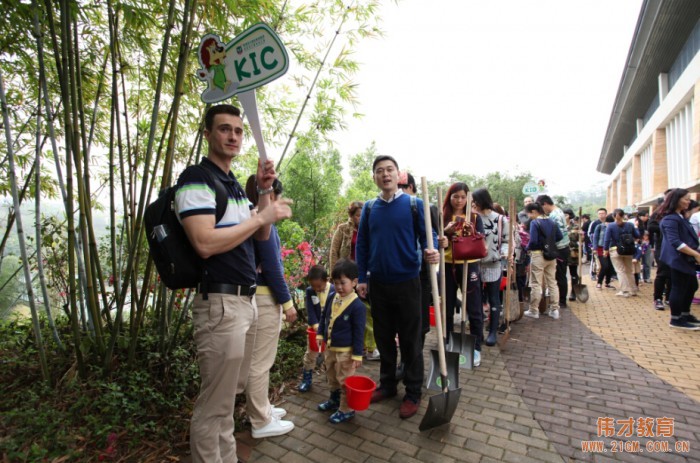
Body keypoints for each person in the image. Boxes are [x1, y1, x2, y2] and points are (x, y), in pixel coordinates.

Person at [175, 104, 292, 462]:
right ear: (207, 134)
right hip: (221, 304)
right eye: (224, 129)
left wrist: (262, 191)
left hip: (244, 304)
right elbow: (205, 243)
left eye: (238, 131)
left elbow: (260, 236)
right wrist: (263, 216)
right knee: (215, 405)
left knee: (227, 400)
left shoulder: (231, 184)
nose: (233, 136)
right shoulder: (197, 177)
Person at [355, 155, 439, 420]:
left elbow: (429, 236)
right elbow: (363, 245)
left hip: (408, 282)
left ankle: (413, 392)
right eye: (380, 171)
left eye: (390, 170)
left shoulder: (414, 205)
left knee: (412, 340)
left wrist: (433, 250)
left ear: (399, 174)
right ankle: (388, 385)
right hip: (379, 283)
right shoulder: (369, 208)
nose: (385, 174)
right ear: (374, 177)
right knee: (384, 339)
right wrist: (362, 278)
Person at [240, 176, 297, 439]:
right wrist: (287, 303)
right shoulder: (264, 225)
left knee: (255, 361)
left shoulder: (248, 217)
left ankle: (262, 409)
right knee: (260, 363)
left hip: (254, 297)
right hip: (264, 298)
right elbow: (273, 268)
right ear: (269, 196)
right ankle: (261, 421)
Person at [316, 259, 367, 423]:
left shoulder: (357, 306)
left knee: (345, 381)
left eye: (343, 283)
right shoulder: (332, 297)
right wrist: (319, 335)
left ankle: (347, 409)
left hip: (346, 352)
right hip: (330, 348)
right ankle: (334, 400)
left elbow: (359, 332)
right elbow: (324, 317)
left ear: (354, 282)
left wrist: (357, 355)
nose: (339, 287)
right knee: (331, 376)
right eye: (335, 282)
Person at [329, 201, 378, 361]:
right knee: (349, 310)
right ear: (351, 215)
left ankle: (369, 346)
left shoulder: (370, 228)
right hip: (346, 276)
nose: (360, 218)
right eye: (357, 215)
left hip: (365, 275)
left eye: (363, 215)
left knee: (367, 311)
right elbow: (333, 251)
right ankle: (358, 347)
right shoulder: (343, 229)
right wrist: (334, 275)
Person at [441, 182, 485, 367]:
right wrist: (445, 233)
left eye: (463, 197)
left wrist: (469, 231)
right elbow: (435, 243)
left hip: (470, 265)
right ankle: (449, 341)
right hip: (447, 265)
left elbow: (481, 241)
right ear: (449, 197)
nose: (459, 200)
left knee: (474, 308)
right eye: (455, 196)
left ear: (468, 198)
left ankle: (476, 347)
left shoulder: (474, 217)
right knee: (447, 307)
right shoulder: (442, 216)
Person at [399, 171, 439, 348]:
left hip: (421, 271)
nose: (398, 190)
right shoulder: (393, 208)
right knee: (403, 318)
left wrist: (437, 245)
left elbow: (433, 235)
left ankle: (415, 357)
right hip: (400, 272)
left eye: (402, 187)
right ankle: (404, 360)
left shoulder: (425, 207)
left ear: (411, 187)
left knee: (420, 318)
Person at [658, 189, 700, 330]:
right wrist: (695, 254)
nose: (689, 201)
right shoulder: (670, 219)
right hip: (678, 259)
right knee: (679, 288)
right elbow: (675, 241)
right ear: (676, 200)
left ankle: (685, 314)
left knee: (691, 286)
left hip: (685, 258)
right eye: (686, 199)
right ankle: (676, 319)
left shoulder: (680, 217)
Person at [472, 188, 508, 346]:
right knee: (475, 297)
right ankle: (477, 329)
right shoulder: (472, 218)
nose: (473, 204)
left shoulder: (500, 220)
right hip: (474, 263)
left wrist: (506, 253)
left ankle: (493, 331)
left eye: (474, 201)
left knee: (494, 297)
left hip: (493, 262)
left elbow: (506, 240)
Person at [523, 202, 562, 319]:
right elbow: (559, 236)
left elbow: (533, 240)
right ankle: (554, 309)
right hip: (551, 255)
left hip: (538, 255)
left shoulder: (535, 223)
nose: (529, 216)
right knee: (552, 282)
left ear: (534, 212)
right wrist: (549, 242)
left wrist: (526, 248)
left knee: (536, 283)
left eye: (529, 214)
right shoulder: (552, 221)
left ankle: (534, 310)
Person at [299, 266, 333, 393]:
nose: (316, 289)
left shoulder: (334, 290)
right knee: (311, 354)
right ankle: (306, 379)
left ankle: (331, 379)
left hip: (329, 330)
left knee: (329, 355)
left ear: (327, 280)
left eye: (319, 286)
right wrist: (315, 326)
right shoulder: (310, 291)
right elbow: (310, 310)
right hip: (314, 330)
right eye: (313, 286)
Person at [537, 195, 570, 308]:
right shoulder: (558, 211)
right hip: (563, 247)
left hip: (560, 249)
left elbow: (558, 235)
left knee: (560, 276)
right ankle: (561, 300)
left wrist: (548, 243)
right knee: (560, 275)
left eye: (542, 207)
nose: (542, 210)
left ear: (545, 204)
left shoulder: (554, 215)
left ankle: (561, 301)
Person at [603, 208, 640, 298]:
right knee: (629, 270)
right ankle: (633, 290)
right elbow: (637, 235)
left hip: (615, 250)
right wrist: (636, 227)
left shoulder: (611, 226)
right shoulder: (630, 225)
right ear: (624, 216)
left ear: (613, 216)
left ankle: (625, 291)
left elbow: (607, 239)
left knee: (620, 271)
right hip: (628, 250)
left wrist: (605, 250)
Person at [649, 196, 672, 309]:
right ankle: (657, 298)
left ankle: (669, 297)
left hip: (676, 248)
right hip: (661, 247)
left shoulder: (679, 214)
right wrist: (666, 227)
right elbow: (651, 227)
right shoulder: (657, 214)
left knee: (672, 275)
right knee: (663, 273)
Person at [593, 214, 615, 289]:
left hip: (611, 249)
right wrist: (595, 248)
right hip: (601, 248)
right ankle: (599, 282)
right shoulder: (600, 226)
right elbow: (595, 237)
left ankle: (607, 282)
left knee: (610, 266)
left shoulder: (614, 227)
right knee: (605, 265)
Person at [563, 208, 580, 301]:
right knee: (562, 274)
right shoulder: (559, 225)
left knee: (573, 273)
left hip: (573, 252)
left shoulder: (576, 226)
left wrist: (582, 235)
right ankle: (562, 293)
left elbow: (580, 239)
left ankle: (573, 292)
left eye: (566, 214)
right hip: (561, 252)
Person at [588, 208, 608, 280]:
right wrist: (593, 245)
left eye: (603, 213)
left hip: (605, 246)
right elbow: (590, 234)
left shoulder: (608, 222)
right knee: (594, 260)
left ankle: (606, 275)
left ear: (606, 214)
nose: (601, 215)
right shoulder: (594, 223)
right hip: (596, 245)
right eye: (599, 214)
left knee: (605, 261)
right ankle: (593, 274)